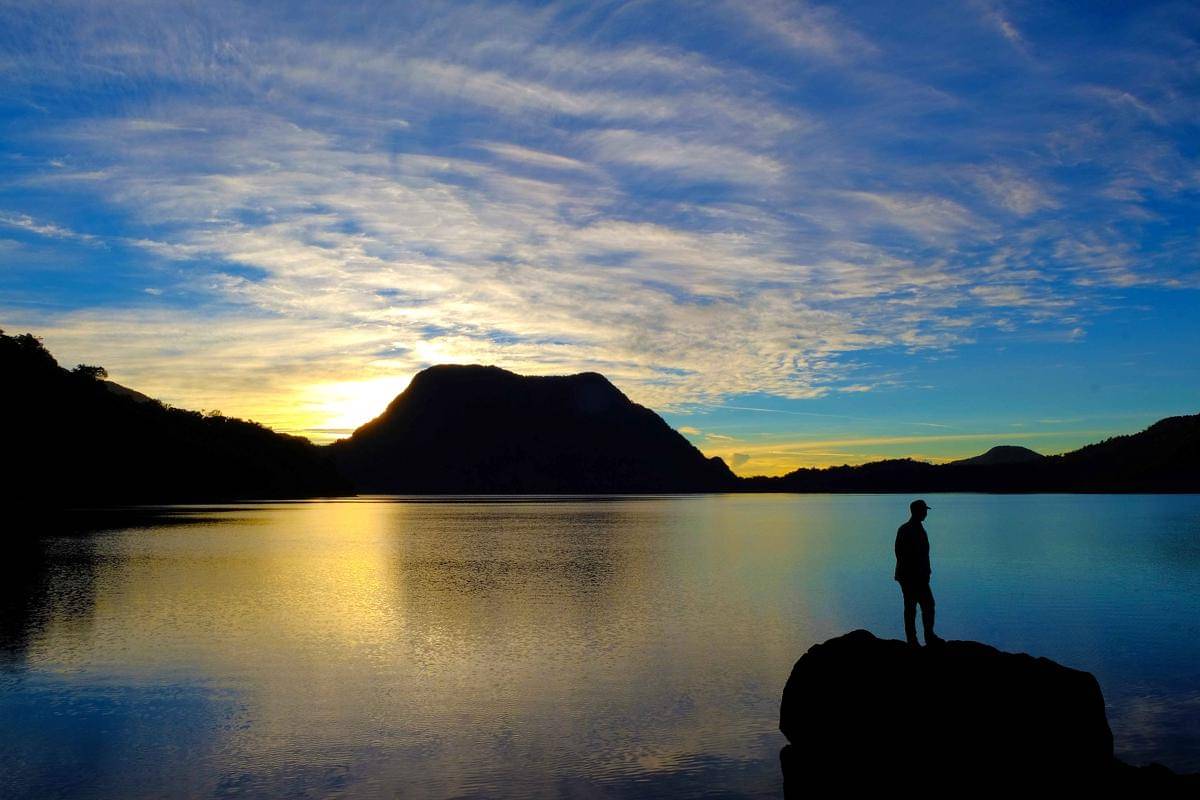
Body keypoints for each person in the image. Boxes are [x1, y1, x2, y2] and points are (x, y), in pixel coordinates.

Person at [895, 499, 944, 647]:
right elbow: (900, 553)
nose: (925, 513)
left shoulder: (919, 529)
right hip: (909, 577)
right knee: (911, 608)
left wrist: (926, 571)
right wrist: (914, 572)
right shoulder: (906, 529)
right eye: (924, 510)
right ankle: (912, 640)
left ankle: (929, 636)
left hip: (921, 576)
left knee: (927, 605)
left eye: (925, 511)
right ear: (916, 511)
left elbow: (923, 554)